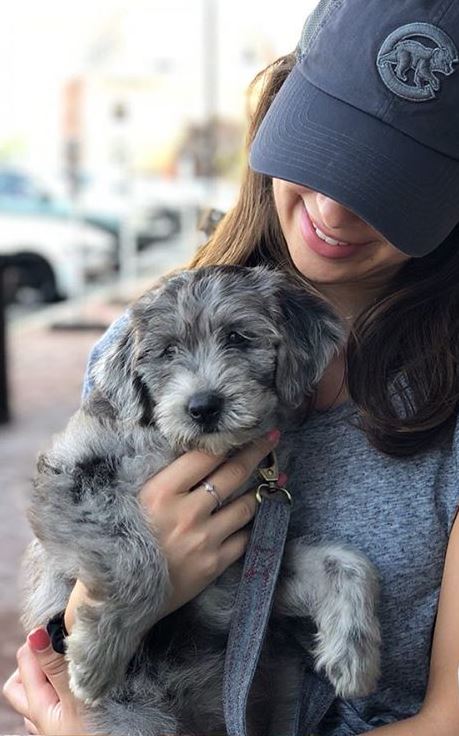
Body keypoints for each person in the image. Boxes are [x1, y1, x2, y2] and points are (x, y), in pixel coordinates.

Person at [4, 0, 459, 733]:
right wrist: (109, 602)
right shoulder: (133, 344)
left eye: (388, 183)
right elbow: (62, 632)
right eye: (326, 148)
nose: (335, 211)